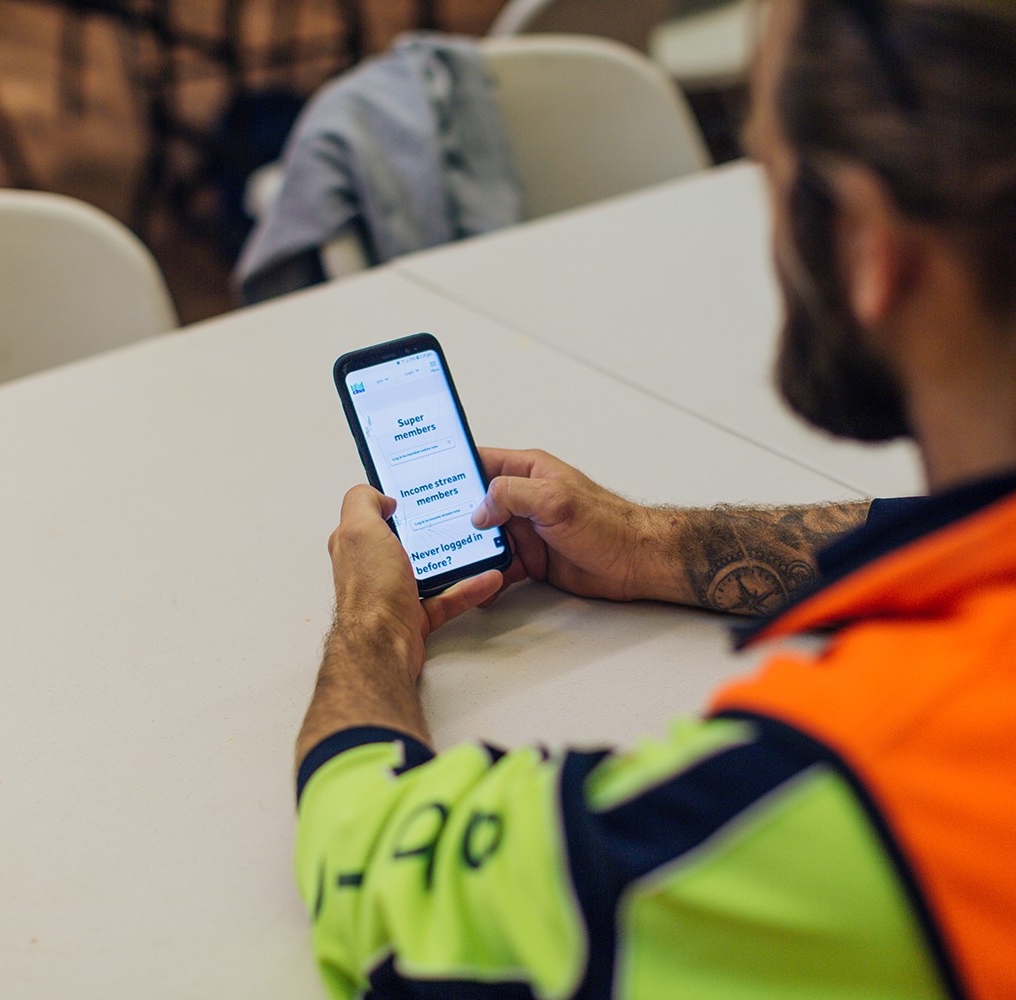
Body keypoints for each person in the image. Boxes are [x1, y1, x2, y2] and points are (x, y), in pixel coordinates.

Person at [295, 0, 1016, 996]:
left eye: (764, 172)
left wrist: (371, 628)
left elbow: (392, 890)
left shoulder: (859, 786)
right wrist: (651, 543)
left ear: (865, 247)